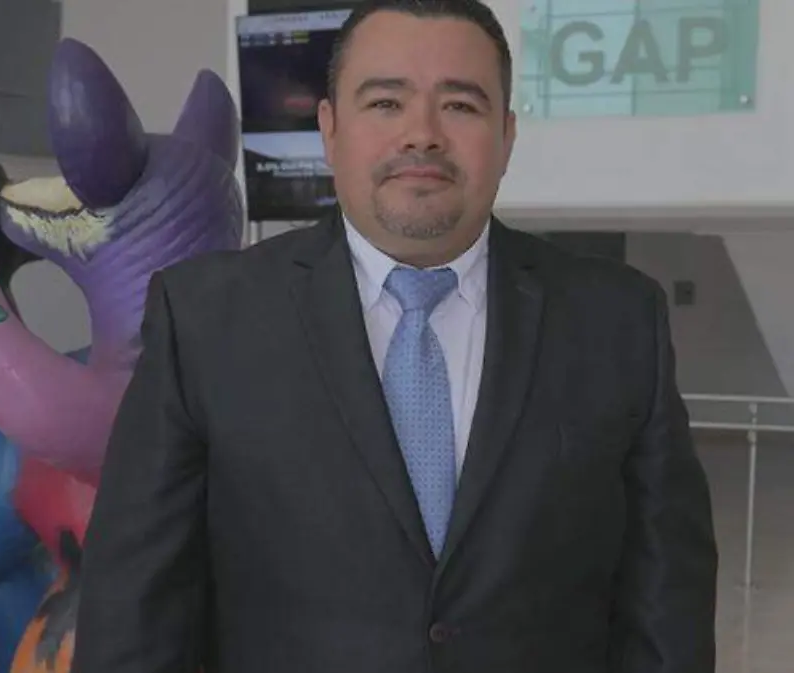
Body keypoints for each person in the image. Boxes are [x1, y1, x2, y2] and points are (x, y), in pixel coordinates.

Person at [72, 1, 719, 672]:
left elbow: (667, 601)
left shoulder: (617, 321)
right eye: (385, 103)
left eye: (461, 106)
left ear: (506, 135)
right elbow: (134, 610)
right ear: (330, 129)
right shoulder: (205, 320)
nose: (422, 135)